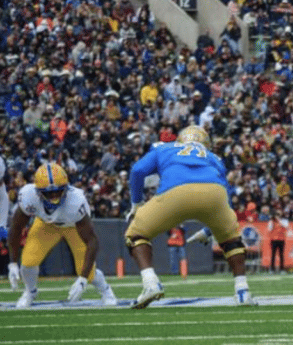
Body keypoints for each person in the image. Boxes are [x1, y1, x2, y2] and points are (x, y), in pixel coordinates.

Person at [126, 125, 255, 309]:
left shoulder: (164, 147)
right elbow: (227, 202)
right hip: (214, 194)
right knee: (231, 240)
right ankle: (242, 291)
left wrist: (136, 203)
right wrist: (209, 230)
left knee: (135, 234)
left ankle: (150, 283)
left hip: (175, 193)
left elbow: (137, 171)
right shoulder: (213, 157)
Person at [7, 163, 118, 308]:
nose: (54, 197)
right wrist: (13, 262)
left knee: (87, 271)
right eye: (48, 193)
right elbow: (16, 228)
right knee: (27, 263)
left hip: (73, 226)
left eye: (58, 191)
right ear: (38, 191)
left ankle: (106, 290)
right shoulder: (28, 195)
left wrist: (83, 279)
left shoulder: (75, 201)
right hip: (46, 224)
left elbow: (92, 241)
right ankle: (30, 292)